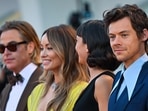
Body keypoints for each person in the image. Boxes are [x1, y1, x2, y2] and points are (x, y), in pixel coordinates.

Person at [28, 24, 89, 111]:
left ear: (66, 51)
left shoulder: (81, 90)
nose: (43, 54)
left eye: (49, 48)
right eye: (41, 48)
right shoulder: (37, 91)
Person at [103, 4, 148, 111]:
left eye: (124, 35)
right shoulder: (118, 77)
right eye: (112, 37)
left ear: (144, 35)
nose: (116, 43)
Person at [73, 20, 121, 111]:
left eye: (77, 41)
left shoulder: (103, 81)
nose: (75, 47)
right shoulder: (95, 81)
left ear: (87, 45)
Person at [0, 20, 43, 111]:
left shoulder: (46, 81)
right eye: (2, 48)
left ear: (30, 47)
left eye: (12, 46)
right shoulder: (6, 89)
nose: (6, 53)